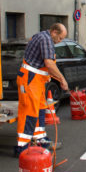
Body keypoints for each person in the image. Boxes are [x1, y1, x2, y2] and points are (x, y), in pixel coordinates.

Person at [14, 23, 69, 157]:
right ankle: (22, 147)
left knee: (39, 110)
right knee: (29, 113)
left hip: (36, 81)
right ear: (54, 32)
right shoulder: (45, 39)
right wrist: (62, 79)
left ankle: (39, 139)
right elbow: (49, 63)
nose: (60, 41)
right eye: (60, 38)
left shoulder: (42, 36)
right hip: (30, 80)